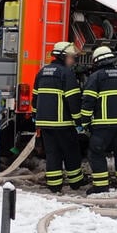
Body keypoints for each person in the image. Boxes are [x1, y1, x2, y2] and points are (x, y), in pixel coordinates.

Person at [33, 41, 87, 193]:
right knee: (71, 152)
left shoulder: (42, 71)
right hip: (63, 123)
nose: (73, 61)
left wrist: (35, 116)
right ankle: (76, 182)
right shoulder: (66, 73)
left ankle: (54, 185)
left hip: (45, 123)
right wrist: (78, 121)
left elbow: (35, 97)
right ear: (63, 56)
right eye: (71, 57)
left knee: (52, 153)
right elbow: (72, 100)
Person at [80, 46, 117, 195]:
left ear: (97, 61)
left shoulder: (96, 77)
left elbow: (88, 101)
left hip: (102, 126)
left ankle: (101, 186)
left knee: (96, 153)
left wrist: (84, 122)